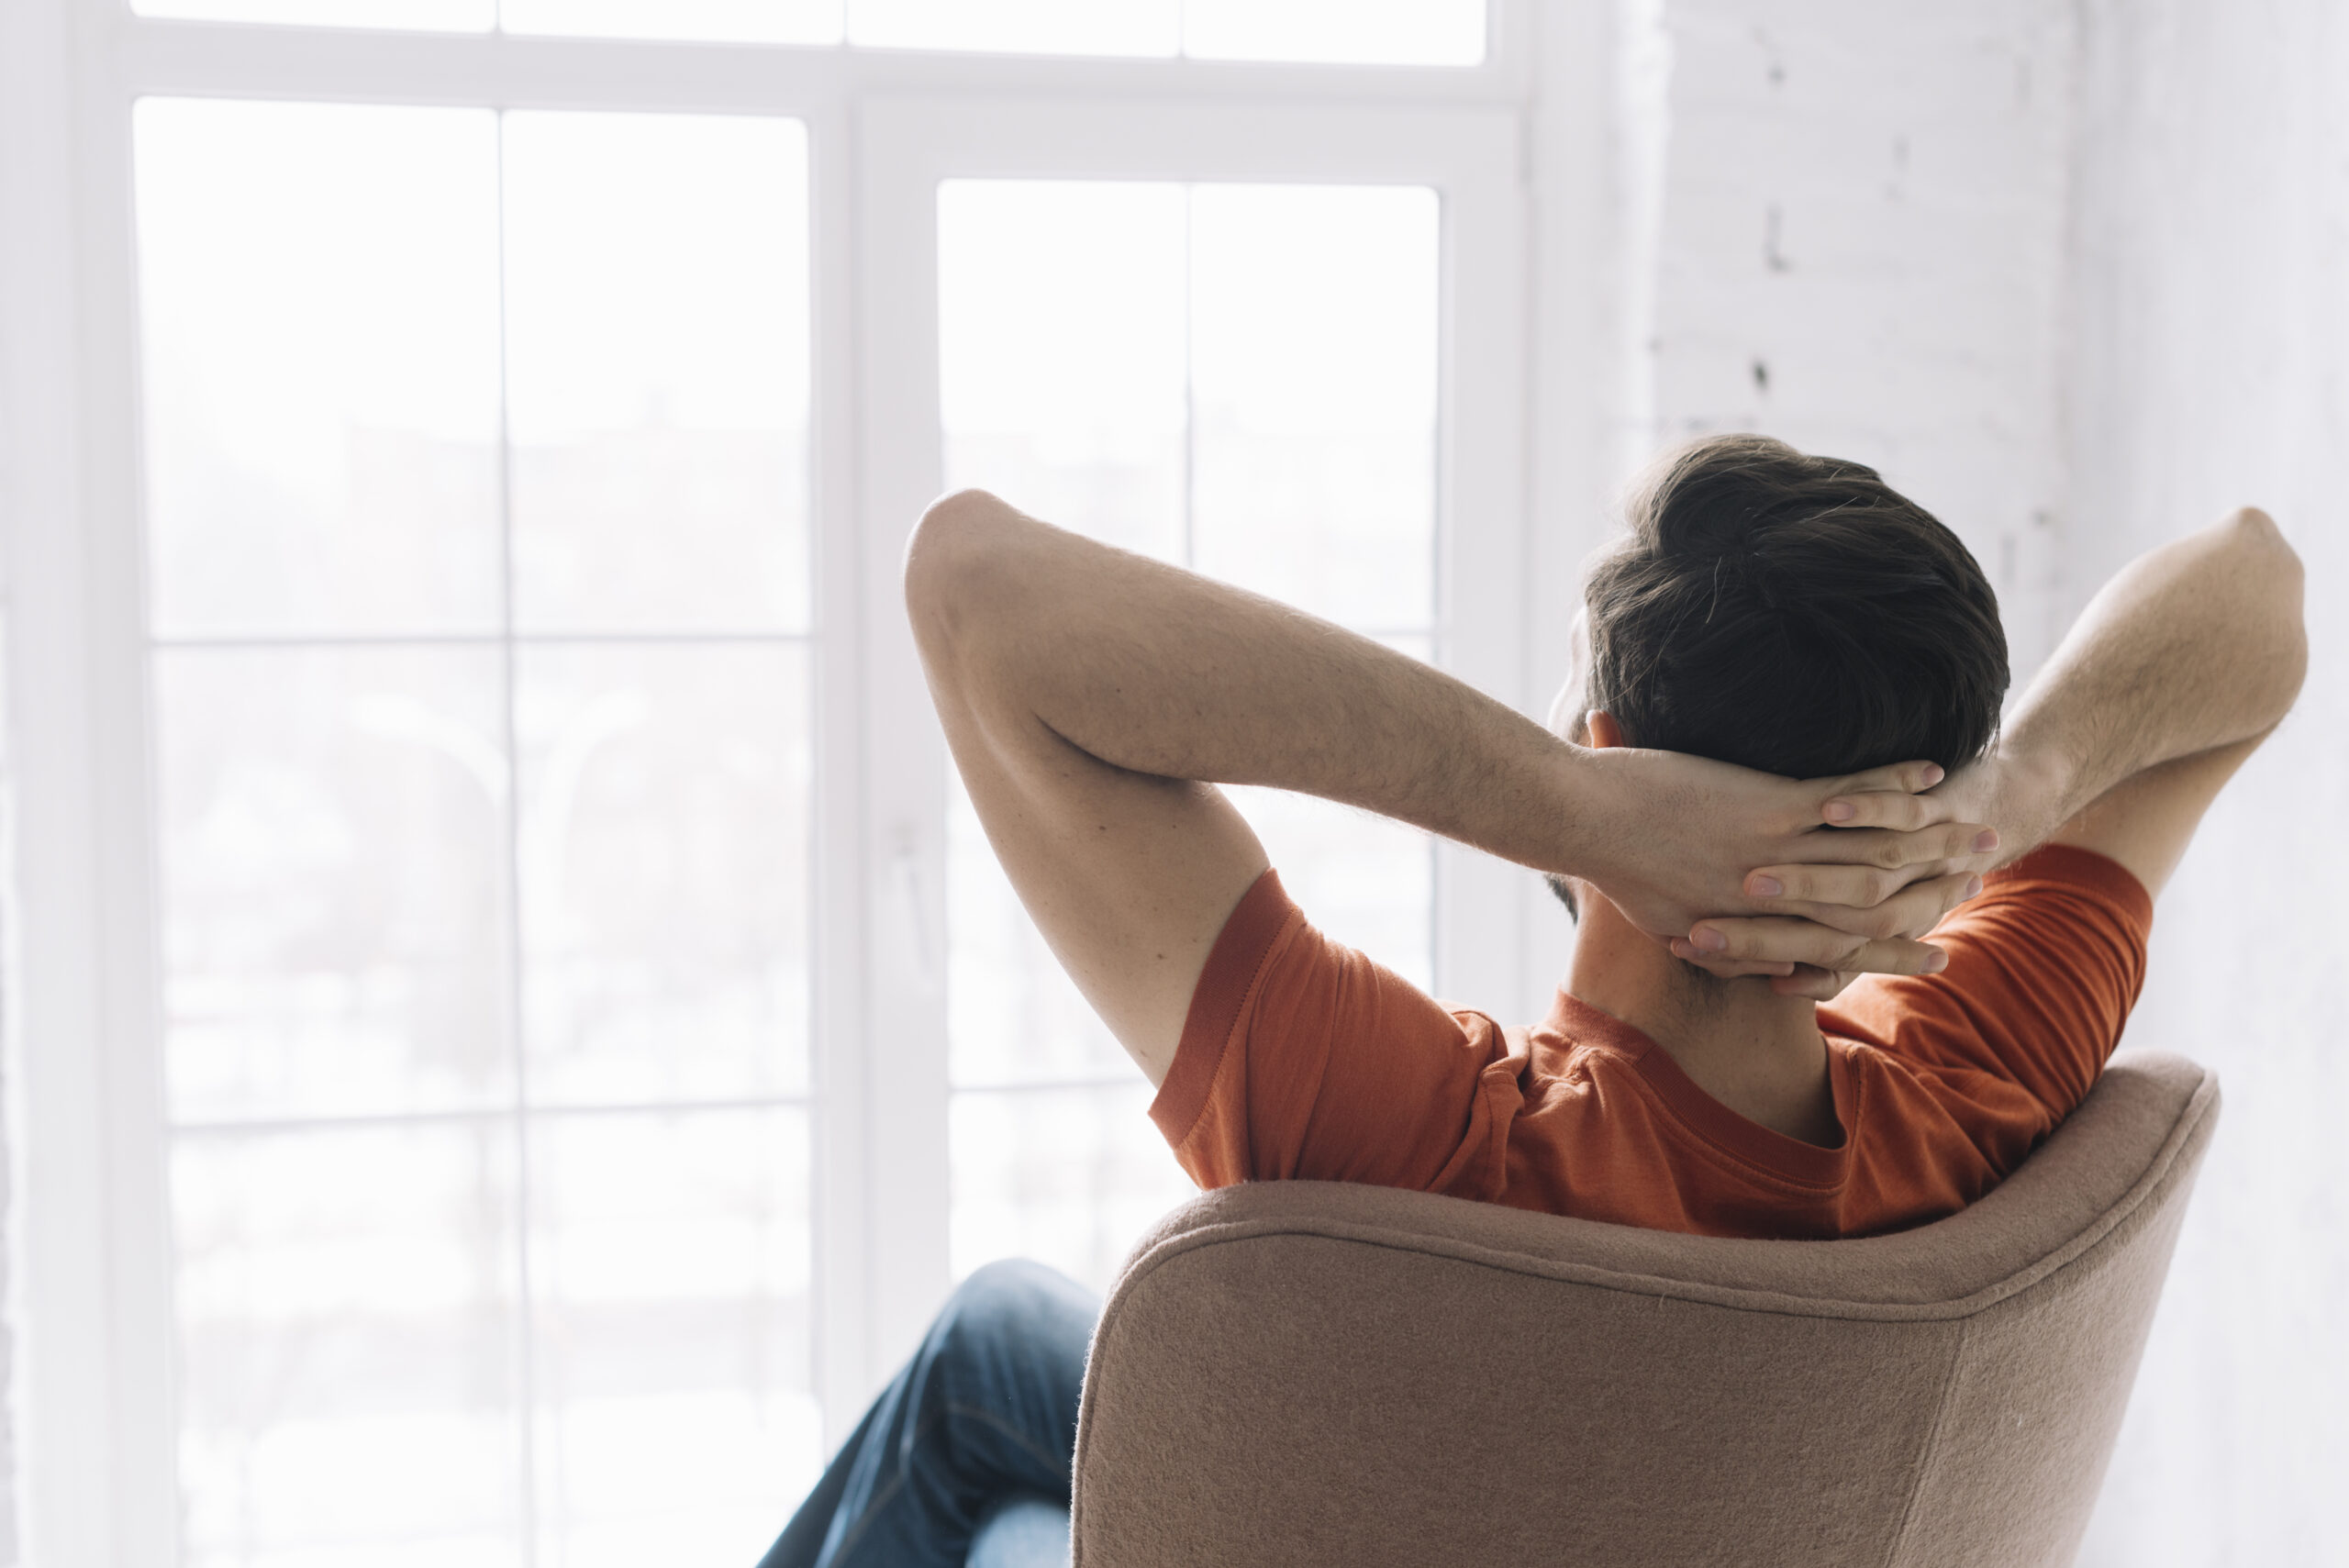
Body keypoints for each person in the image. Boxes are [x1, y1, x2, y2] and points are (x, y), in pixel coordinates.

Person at [758, 436, 2307, 1567]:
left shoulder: (1428, 1147)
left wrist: (1569, 804)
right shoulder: (1979, 1069)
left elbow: (975, 587)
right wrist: (2008, 803)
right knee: (999, 1332)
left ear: (1612, 735)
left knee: (986, 1419)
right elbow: (2261, 582)